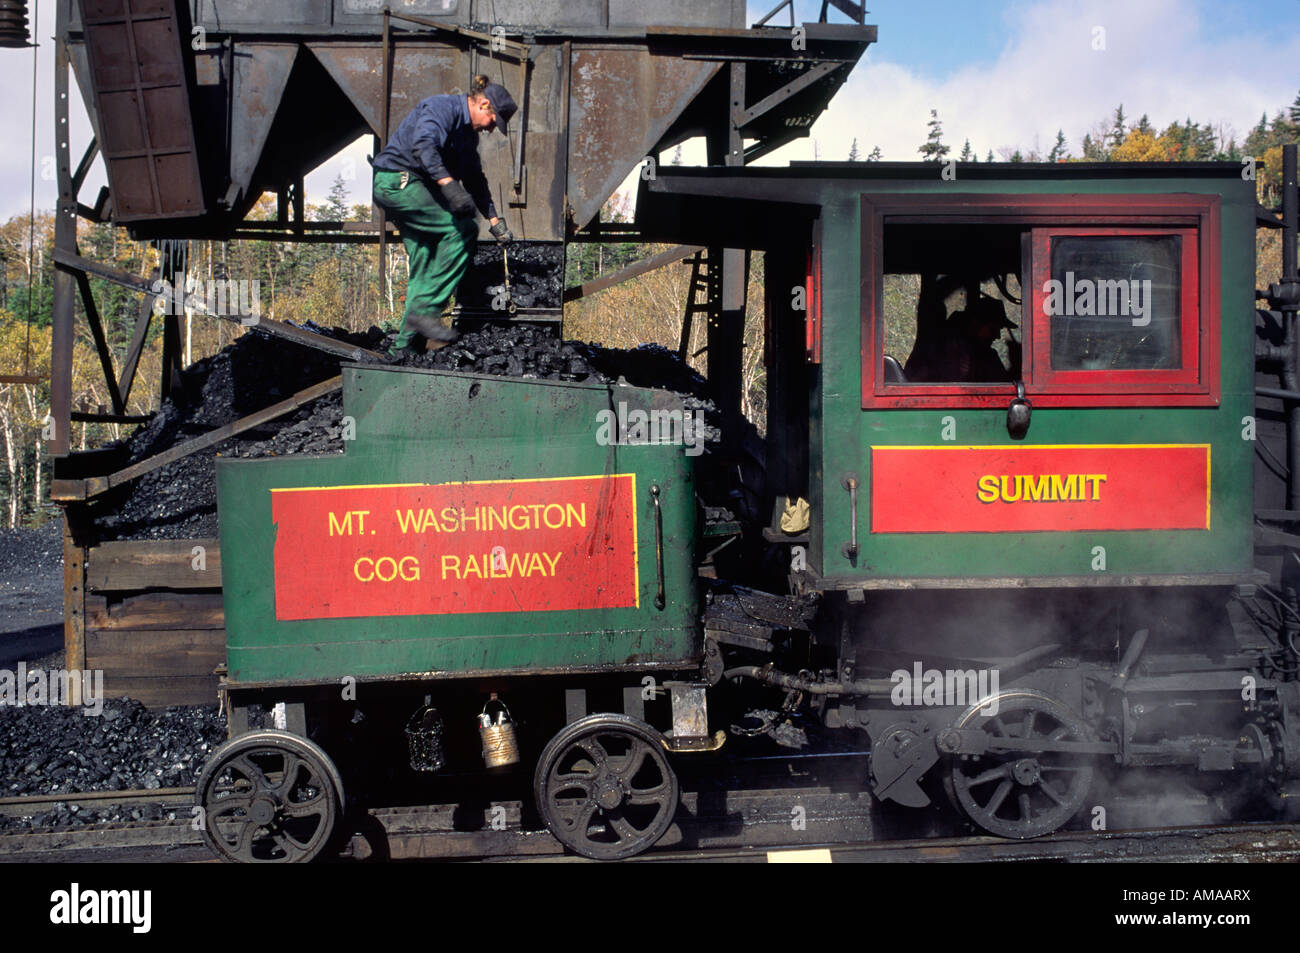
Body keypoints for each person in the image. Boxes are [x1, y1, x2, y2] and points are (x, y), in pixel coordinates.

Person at [372, 74, 517, 357]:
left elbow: (475, 179)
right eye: (493, 122)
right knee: (462, 230)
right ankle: (426, 315)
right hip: (398, 181)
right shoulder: (441, 108)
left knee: (426, 262)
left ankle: (404, 348)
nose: (490, 129)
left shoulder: (467, 138)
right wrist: (448, 185)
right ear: (484, 105)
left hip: (412, 188)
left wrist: (495, 221)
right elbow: (423, 146)